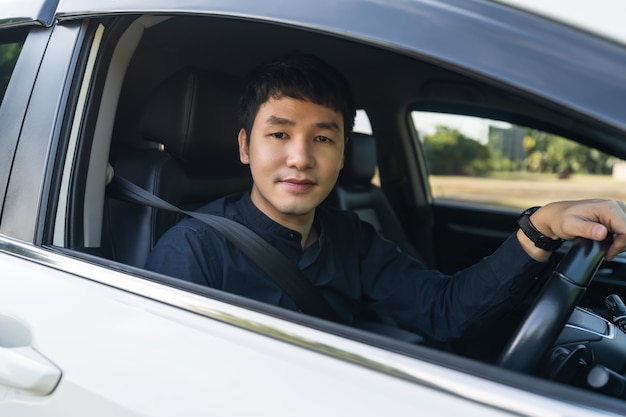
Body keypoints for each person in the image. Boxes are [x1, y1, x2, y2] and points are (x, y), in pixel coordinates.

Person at [145, 51, 626, 343]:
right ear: (245, 147)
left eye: (322, 138)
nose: (300, 158)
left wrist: (538, 226)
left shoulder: (351, 239)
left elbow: (444, 312)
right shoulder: (192, 253)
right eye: (279, 134)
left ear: (341, 154)